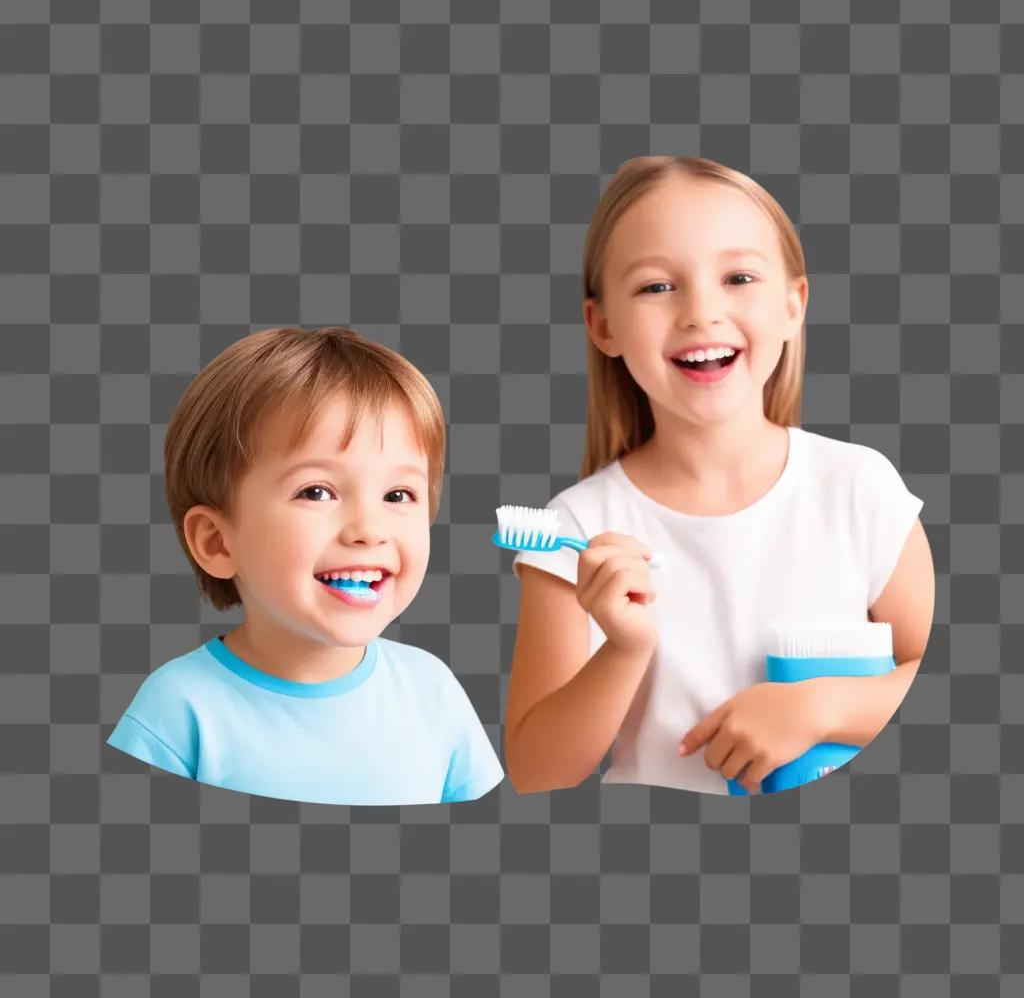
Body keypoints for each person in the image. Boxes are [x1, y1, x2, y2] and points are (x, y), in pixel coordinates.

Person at [505, 156, 935, 796]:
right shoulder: (578, 530)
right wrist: (623, 647)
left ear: (794, 304)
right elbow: (538, 774)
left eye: (738, 277)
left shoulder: (859, 490)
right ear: (603, 327)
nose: (700, 312)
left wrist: (818, 708)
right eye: (656, 286)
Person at [107, 326, 504, 806]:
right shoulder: (180, 710)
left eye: (398, 495)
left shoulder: (432, 692)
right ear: (216, 541)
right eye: (316, 492)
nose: (369, 529)